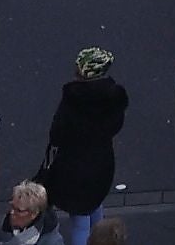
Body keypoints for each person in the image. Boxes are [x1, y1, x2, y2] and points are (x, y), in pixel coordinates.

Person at [37, 49, 128, 245]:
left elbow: (57, 134)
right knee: (95, 206)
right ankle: (103, 239)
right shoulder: (113, 98)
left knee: (80, 221)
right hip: (102, 163)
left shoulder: (73, 100)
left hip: (74, 169)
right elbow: (116, 126)